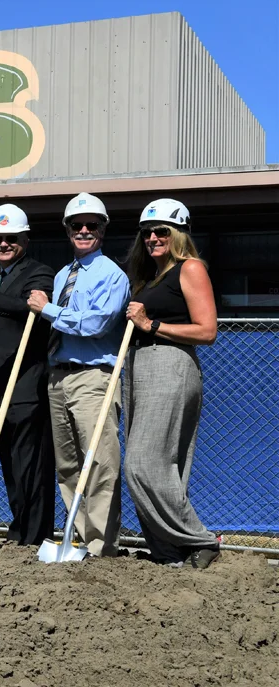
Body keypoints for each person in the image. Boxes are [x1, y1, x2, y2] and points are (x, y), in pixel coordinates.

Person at [28, 192, 130, 557]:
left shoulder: (111, 275)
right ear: (67, 230)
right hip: (60, 377)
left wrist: (49, 310)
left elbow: (99, 324)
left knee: (100, 463)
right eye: (77, 225)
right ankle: (79, 537)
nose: (84, 230)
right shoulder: (62, 275)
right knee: (68, 465)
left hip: (93, 377)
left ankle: (102, 546)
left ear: (103, 230)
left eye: (92, 225)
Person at [123, 199, 221, 568]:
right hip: (139, 367)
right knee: (159, 466)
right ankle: (169, 552)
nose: (152, 237)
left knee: (142, 463)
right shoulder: (151, 276)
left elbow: (207, 331)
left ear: (178, 233)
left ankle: (201, 539)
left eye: (161, 230)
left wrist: (153, 325)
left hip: (170, 366)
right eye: (146, 232)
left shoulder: (190, 268)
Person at [0, 205, 56, 546]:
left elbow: (32, 309)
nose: (3, 244)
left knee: (30, 462)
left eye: (10, 238)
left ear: (25, 239)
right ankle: (19, 527)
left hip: (26, 383)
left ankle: (35, 534)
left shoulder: (39, 273)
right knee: (9, 461)